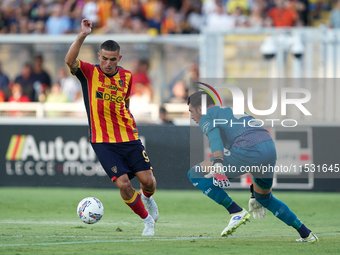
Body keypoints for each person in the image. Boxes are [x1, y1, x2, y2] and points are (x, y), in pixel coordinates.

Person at [65, 19, 159, 236]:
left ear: (119, 59)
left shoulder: (127, 76)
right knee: (124, 185)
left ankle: (147, 197)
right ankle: (147, 222)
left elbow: (126, 104)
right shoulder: (89, 73)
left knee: (149, 182)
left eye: (112, 59)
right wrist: (82, 35)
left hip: (128, 136)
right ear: (99, 57)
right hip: (103, 141)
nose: (108, 63)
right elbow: (70, 61)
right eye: (105, 59)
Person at [187, 91, 318, 242]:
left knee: (195, 173)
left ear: (200, 108)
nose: (191, 116)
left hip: (248, 149)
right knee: (264, 198)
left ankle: (235, 211)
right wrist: (253, 192)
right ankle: (306, 234)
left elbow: (215, 138)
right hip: (269, 147)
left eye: (191, 111)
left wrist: (217, 163)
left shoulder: (206, 116)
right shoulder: (232, 110)